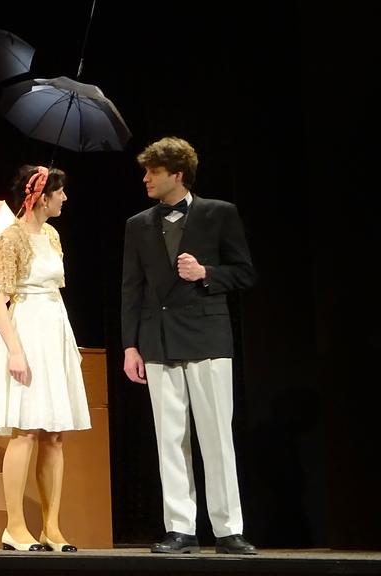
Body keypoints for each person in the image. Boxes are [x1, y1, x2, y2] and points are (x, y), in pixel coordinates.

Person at [121, 137, 257, 555]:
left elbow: (245, 272)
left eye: (154, 172)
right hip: (158, 340)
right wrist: (130, 346)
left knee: (216, 436)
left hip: (207, 338)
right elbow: (131, 287)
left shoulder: (219, 213)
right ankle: (180, 529)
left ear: (177, 175)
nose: (146, 179)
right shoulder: (138, 224)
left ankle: (228, 529)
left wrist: (206, 273)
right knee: (170, 439)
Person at [0, 165, 91, 553]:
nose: (65, 199)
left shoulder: (52, 234)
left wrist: (68, 343)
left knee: (55, 434)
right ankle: (14, 527)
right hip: (26, 328)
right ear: (43, 198)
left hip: (54, 327)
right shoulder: (10, 238)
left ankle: (52, 528)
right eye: (60, 193)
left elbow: (55, 291)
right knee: (26, 430)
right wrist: (15, 350)